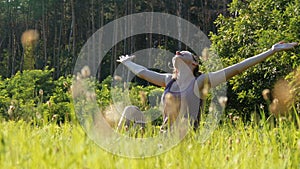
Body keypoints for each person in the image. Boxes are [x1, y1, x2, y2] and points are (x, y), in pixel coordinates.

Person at [116, 42, 298, 130]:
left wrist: (271, 51)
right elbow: (142, 72)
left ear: (194, 63)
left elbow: (236, 69)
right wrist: (127, 63)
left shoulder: (200, 82)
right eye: (177, 52)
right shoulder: (168, 80)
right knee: (130, 110)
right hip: (162, 135)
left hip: (184, 139)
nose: (178, 52)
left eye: (184, 53)